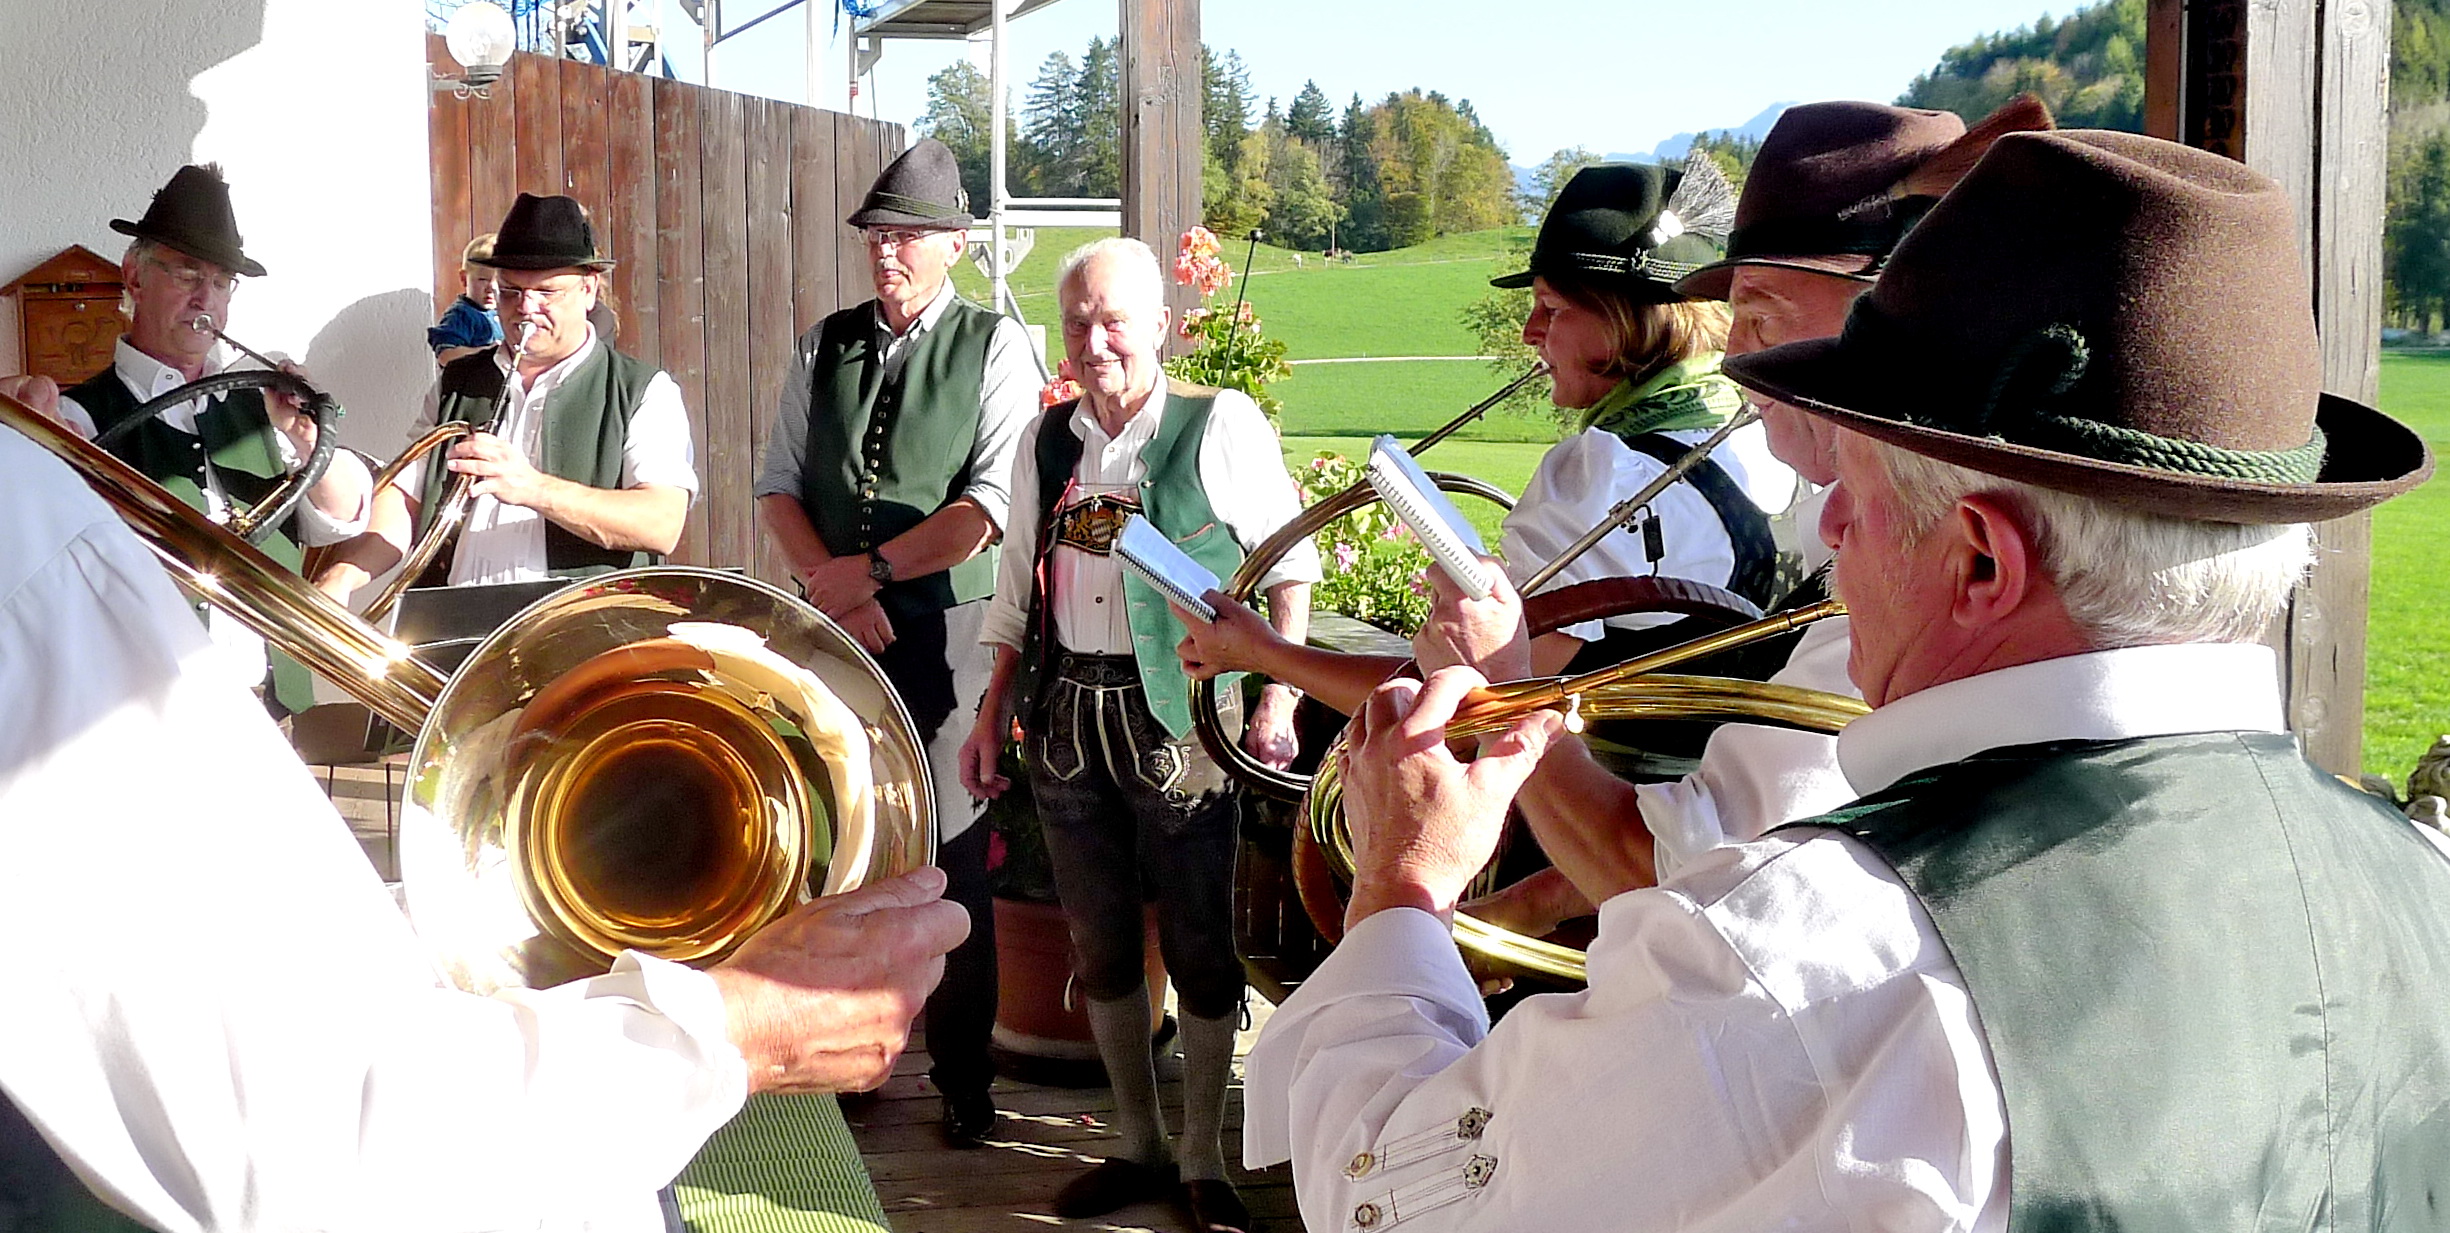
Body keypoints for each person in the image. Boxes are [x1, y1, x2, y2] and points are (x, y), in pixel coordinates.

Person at [1242, 129, 2448, 1231]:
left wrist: (1401, 886)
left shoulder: (1800, 959)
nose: (1825, 523)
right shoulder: (2418, 892)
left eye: (1856, 498)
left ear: (1980, 561)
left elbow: (1385, 1195)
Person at [0, 419, 968, 1230]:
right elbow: (308, 1149)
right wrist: (727, 1031)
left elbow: (662, 517)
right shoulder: (28, 535)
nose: (521, 302)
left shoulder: (33, 520)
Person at [1423, 99, 2051, 935]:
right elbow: (1745, 827)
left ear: (1891, 311)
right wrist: (1523, 911)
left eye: (1759, 314)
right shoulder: (1836, 507)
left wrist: (1505, 690)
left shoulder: (1912, 566)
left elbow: (1683, 872)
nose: (1734, 362)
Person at [958, 237, 1319, 1232]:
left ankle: (1202, 1156)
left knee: (1201, 939)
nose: (1094, 340)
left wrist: (1279, 700)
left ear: (1161, 323)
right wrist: (991, 711)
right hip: (1067, 714)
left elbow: (1291, 567)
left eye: (1113, 319)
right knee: (1098, 938)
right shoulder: (1048, 441)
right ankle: (1137, 1143)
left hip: (1185, 715)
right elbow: (1015, 588)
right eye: (1077, 322)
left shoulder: (1217, 422)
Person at [1175, 156, 1794, 724]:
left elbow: (1468, 704)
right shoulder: (1769, 441)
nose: (1530, 332)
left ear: (1627, 320)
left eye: (1552, 308)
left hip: (1592, 799)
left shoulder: (1600, 474)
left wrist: (1265, 653)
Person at [753, 137, 1040, 1149]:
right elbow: (777, 484)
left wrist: (869, 574)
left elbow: (990, 507)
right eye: (877, 235)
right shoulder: (824, 344)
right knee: (839, 843)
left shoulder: (994, 346)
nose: (887, 251)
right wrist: (830, 587)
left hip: (947, 635)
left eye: (909, 236)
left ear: (955, 245)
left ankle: (964, 1078)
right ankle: (838, 1059)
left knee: (952, 853)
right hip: (834, 628)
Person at [39, 164, 375, 714]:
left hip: (273, 707)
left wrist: (304, 432)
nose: (205, 299)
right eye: (187, 274)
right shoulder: (79, 417)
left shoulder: (261, 405)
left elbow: (341, 517)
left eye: (220, 283)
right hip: (147, 709)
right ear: (134, 277)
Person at [352, 192, 697, 588]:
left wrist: (532, 487)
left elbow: (661, 523)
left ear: (588, 290)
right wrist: (341, 580)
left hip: (572, 619)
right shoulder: (457, 382)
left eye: (546, 292)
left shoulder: (643, 390)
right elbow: (406, 499)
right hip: (453, 616)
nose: (526, 308)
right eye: (510, 291)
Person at [428, 231, 502, 366]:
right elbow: (446, 356)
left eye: (500, 281)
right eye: (482, 279)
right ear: (464, 278)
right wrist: (486, 352)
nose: (491, 287)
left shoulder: (506, 312)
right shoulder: (461, 315)